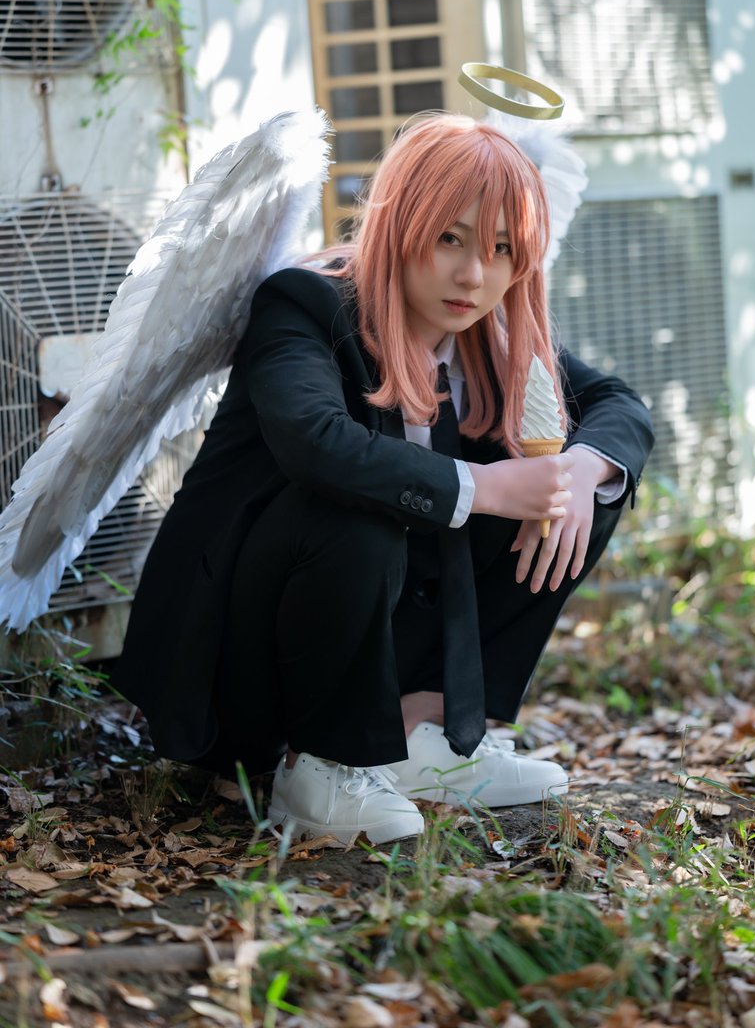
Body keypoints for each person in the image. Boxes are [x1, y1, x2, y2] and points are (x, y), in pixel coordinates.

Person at [112, 113, 654, 845]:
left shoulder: (489, 337)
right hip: (239, 659)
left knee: (583, 485)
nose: (474, 276)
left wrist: (581, 471)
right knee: (359, 506)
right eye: (451, 238)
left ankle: (425, 731)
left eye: (501, 249)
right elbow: (315, 443)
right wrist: (488, 487)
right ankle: (316, 765)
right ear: (402, 223)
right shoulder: (305, 303)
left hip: (373, 640)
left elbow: (619, 405)